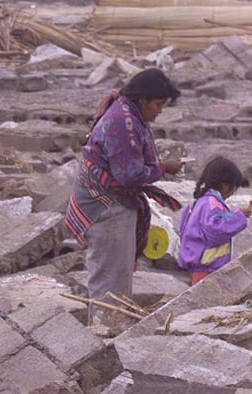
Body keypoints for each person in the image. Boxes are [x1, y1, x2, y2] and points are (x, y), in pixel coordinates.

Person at [64, 68, 184, 335]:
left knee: (114, 274)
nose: (159, 111)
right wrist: (163, 167)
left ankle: (107, 330)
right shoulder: (123, 122)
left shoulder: (127, 113)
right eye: (158, 104)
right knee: (110, 280)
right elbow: (129, 174)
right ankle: (104, 336)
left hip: (109, 199)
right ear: (142, 99)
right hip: (106, 205)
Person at [177, 156, 252, 285]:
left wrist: (236, 214)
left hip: (200, 265)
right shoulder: (212, 203)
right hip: (207, 267)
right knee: (205, 296)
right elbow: (215, 230)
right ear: (224, 185)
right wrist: (238, 217)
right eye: (233, 188)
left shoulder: (199, 201)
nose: (232, 193)